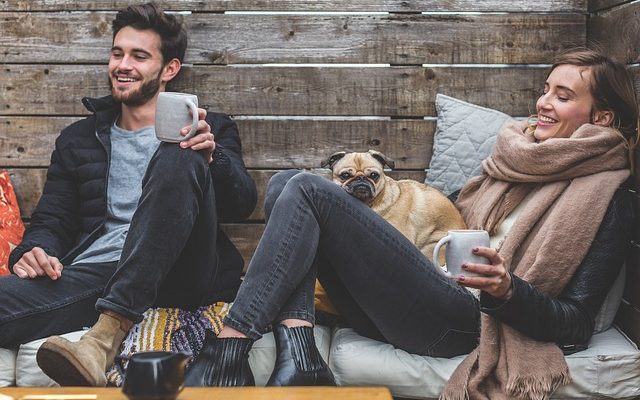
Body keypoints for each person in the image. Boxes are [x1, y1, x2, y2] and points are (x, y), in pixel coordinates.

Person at [182, 48, 637, 398]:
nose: (543, 103)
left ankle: (228, 349)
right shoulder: (516, 161)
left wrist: (507, 290)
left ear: (601, 117)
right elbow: (452, 216)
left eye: (563, 95)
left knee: (305, 187)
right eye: (545, 89)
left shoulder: (605, 196)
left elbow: (576, 322)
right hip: (424, 295)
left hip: (467, 321)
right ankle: (300, 353)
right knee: (285, 184)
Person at [0, 2, 256, 387]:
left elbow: (242, 203)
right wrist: (31, 252)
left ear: (169, 68)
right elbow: (53, 221)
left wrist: (212, 155)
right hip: (97, 277)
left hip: (180, 271)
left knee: (179, 150)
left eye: (139, 56)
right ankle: (113, 315)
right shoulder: (77, 141)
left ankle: (106, 334)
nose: (123, 65)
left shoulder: (210, 127)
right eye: (117, 53)